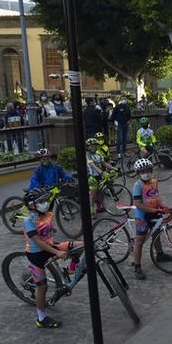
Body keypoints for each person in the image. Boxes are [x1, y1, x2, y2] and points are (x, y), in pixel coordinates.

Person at [21, 187, 82, 328]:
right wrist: (57, 253)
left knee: (81, 245)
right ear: (32, 205)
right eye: (41, 201)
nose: (46, 203)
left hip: (51, 246)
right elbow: (38, 242)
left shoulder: (47, 214)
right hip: (36, 255)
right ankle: (41, 319)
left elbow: (47, 231)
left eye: (45, 200)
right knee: (42, 287)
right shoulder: (28, 220)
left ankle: (72, 268)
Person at [130, 158, 172, 280]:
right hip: (142, 215)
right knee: (139, 241)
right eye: (142, 171)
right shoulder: (137, 185)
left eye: (148, 170)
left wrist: (162, 206)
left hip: (155, 211)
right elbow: (138, 204)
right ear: (138, 173)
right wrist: (154, 210)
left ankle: (160, 255)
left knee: (157, 234)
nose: (146, 173)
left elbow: (156, 196)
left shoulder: (154, 181)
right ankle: (137, 267)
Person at [86, 137, 117, 214]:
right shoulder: (88, 155)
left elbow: (104, 163)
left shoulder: (98, 155)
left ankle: (99, 206)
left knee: (100, 192)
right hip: (92, 177)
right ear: (87, 147)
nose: (93, 147)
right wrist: (102, 172)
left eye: (94, 145)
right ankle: (92, 210)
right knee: (92, 195)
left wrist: (114, 168)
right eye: (91, 146)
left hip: (100, 176)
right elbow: (92, 165)